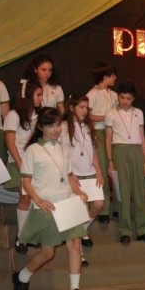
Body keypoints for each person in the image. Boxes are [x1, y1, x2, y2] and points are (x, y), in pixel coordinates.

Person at [12, 107, 90, 290]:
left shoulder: (63, 148)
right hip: (48, 207)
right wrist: (38, 200)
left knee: (75, 244)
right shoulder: (32, 150)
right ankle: (22, 277)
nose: (56, 129)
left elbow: (70, 175)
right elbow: (26, 181)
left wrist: (78, 191)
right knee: (48, 253)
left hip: (67, 203)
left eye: (58, 125)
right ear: (41, 127)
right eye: (51, 126)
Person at [105, 82, 145, 245]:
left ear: (133, 99)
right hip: (119, 150)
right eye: (122, 97)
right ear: (118, 96)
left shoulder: (138, 112)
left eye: (128, 98)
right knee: (123, 192)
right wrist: (110, 161)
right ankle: (124, 230)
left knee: (139, 191)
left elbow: (142, 136)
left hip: (137, 150)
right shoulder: (111, 113)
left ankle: (142, 229)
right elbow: (108, 138)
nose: (125, 101)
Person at [4, 80, 43, 254]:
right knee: (25, 197)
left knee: (35, 198)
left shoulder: (38, 116)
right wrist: (21, 165)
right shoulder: (13, 115)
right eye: (38, 94)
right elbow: (10, 143)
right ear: (28, 96)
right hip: (19, 161)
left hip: (35, 163)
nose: (41, 98)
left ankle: (31, 235)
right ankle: (21, 237)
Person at [61, 94, 104, 254]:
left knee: (98, 204)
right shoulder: (64, 127)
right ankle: (79, 254)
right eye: (81, 107)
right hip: (75, 176)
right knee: (78, 210)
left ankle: (83, 229)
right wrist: (70, 174)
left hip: (90, 173)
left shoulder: (86, 127)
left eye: (87, 108)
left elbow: (93, 153)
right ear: (72, 108)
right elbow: (63, 154)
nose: (85, 111)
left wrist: (99, 172)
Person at [86, 62, 118, 223]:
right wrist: (107, 117)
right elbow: (87, 115)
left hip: (113, 134)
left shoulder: (113, 94)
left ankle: (117, 206)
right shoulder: (92, 94)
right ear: (105, 76)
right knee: (103, 170)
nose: (115, 78)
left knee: (115, 170)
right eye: (112, 75)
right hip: (99, 133)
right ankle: (103, 208)